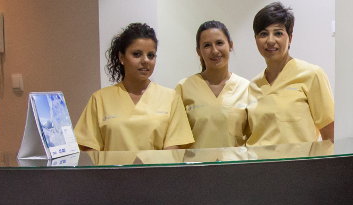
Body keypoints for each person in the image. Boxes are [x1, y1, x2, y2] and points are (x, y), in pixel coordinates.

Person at [74, 22, 194, 151]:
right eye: (137, 54)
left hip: (159, 165)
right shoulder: (100, 99)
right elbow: (89, 147)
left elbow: (174, 146)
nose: (145, 60)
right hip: (112, 165)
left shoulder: (171, 98)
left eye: (151, 55)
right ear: (122, 57)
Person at [246, 2, 334, 146]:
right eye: (263, 34)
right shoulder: (253, 85)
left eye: (278, 33)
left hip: (299, 161)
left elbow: (330, 137)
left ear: (290, 38)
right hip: (257, 160)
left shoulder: (311, 75)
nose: (270, 40)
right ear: (256, 39)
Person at [176, 20, 251, 147]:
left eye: (219, 43)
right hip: (195, 161)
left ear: (230, 45)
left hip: (235, 160)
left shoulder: (246, 88)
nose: (215, 50)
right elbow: (176, 139)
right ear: (198, 51)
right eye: (207, 45)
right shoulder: (184, 88)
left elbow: (253, 139)